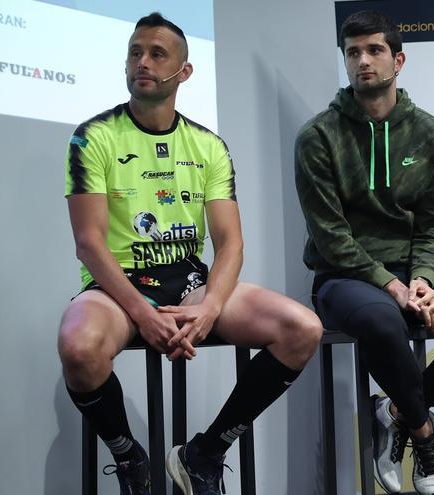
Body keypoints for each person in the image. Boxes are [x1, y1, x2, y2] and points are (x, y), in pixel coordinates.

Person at [58, 12, 322, 495]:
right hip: (118, 288)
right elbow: (89, 243)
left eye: (157, 54)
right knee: (79, 347)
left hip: (189, 282)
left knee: (302, 329)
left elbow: (231, 243)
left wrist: (210, 307)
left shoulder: (207, 145)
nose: (143, 62)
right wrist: (143, 311)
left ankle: (205, 454)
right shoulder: (93, 136)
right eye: (135, 52)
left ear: (184, 72)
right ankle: (130, 458)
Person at [294, 10, 434, 495]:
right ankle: (423, 435)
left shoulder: (430, 133)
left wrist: (421, 278)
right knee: (384, 321)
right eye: (353, 52)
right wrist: (393, 286)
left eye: (374, 50)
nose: (363, 61)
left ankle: (396, 410)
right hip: (344, 279)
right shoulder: (318, 137)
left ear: (398, 60)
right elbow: (331, 235)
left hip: (412, 274)